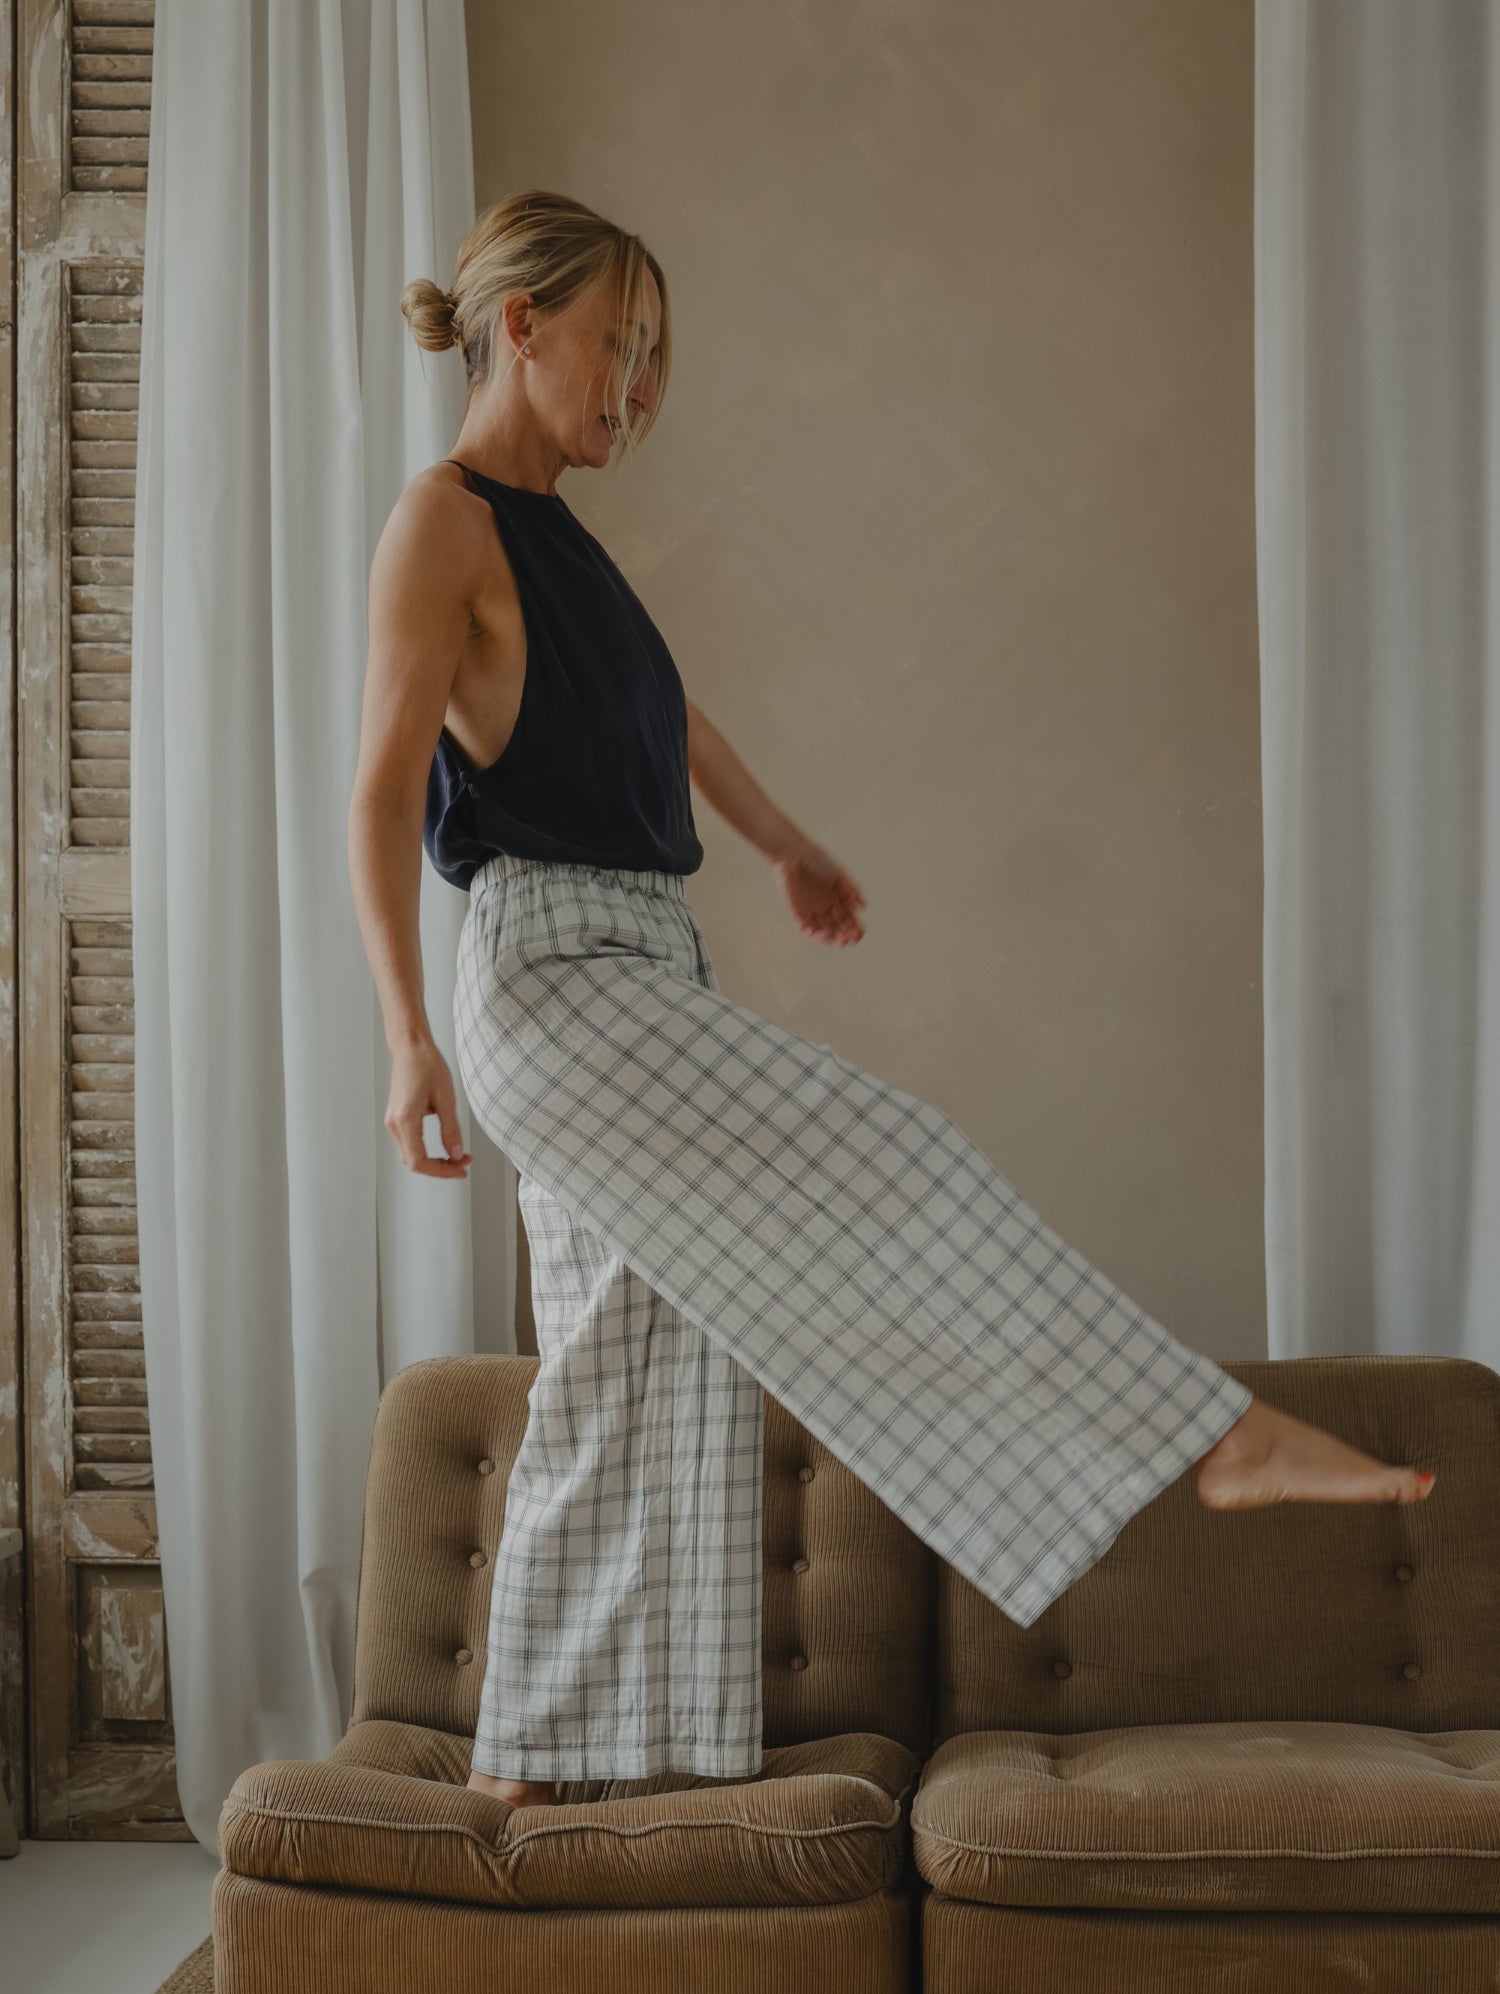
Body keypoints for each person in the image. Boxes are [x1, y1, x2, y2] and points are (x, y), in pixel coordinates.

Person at [347, 190, 1435, 1812]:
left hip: (638, 955)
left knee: (631, 1365)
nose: (637, 391)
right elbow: (376, 795)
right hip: (555, 976)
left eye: (655, 363)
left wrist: (784, 845)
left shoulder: (561, 549)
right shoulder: (445, 522)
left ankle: (548, 1768)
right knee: (894, 1159)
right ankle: (1207, 1436)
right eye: (618, 349)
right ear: (524, 326)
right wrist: (405, 1042)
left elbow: (670, 715)